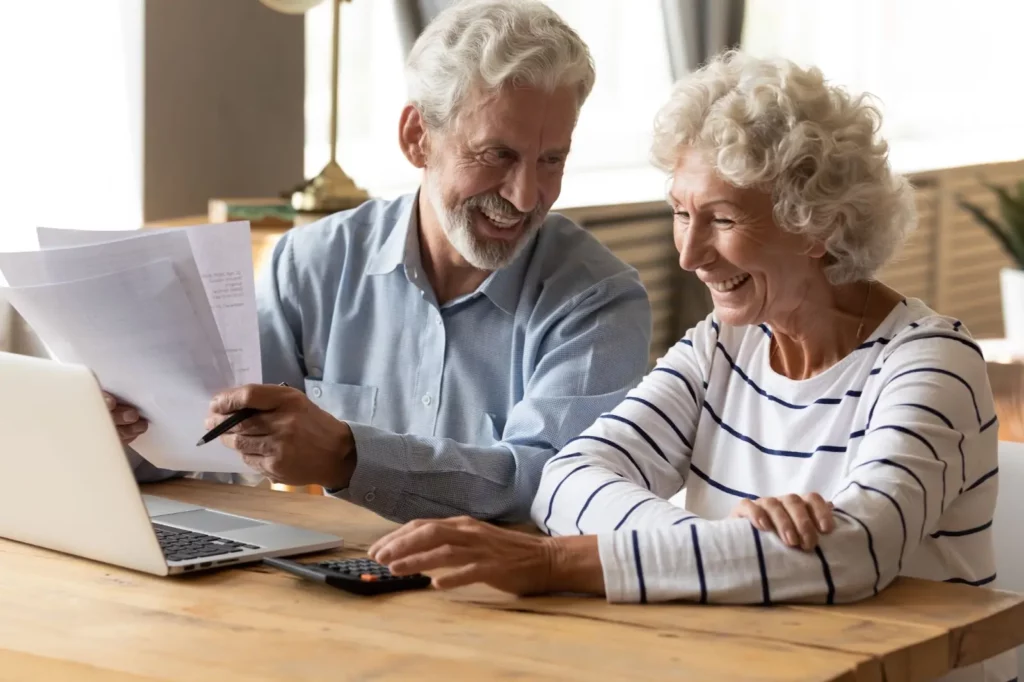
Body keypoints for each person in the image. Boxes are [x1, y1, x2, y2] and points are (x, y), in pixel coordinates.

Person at [368, 49, 1011, 682]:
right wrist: (722, 544)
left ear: (818, 226)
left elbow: (852, 553)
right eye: (681, 212)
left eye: (722, 218)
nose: (689, 254)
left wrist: (554, 563)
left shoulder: (931, 365)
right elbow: (567, 479)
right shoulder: (722, 347)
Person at [107, 0, 652, 524]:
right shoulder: (310, 264)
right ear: (418, 139)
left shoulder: (599, 300)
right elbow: (218, 446)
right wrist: (127, 434)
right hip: (325, 585)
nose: (527, 196)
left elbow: (548, 482)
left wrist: (348, 455)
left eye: (551, 160)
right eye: (497, 155)